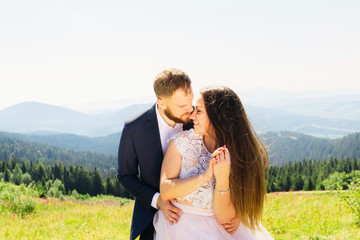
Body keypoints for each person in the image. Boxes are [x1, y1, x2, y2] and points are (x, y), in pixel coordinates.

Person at [153, 86, 274, 239]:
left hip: (221, 230)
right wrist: (205, 177)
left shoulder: (240, 153)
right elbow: (165, 191)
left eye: (199, 111)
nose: (192, 116)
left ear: (218, 117)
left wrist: (222, 178)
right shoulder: (181, 142)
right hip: (178, 228)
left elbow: (226, 219)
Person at [117, 68, 195, 240]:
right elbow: (126, 176)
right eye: (182, 106)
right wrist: (158, 200)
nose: (190, 110)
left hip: (197, 217)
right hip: (152, 218)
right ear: (161, 102)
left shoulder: (199, 118)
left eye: (191, 102)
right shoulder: (133, 128)